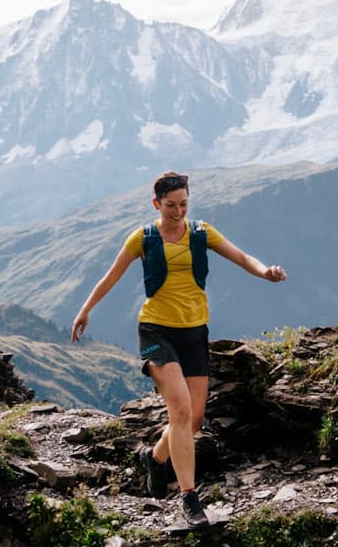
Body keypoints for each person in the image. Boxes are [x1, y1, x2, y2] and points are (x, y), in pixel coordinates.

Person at [70, 170, 286, 526]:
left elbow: (243, 257)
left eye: (184, 203)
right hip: (156, 330)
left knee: (195, 419)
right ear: (157, 204)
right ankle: (189, 498)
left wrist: (266, 272)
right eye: (171, 205)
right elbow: (111, 275)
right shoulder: (143, 238)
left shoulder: (202, 232)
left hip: (194, 332)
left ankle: (153, 459)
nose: (178, 211)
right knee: (181, 412)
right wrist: (85, 310)